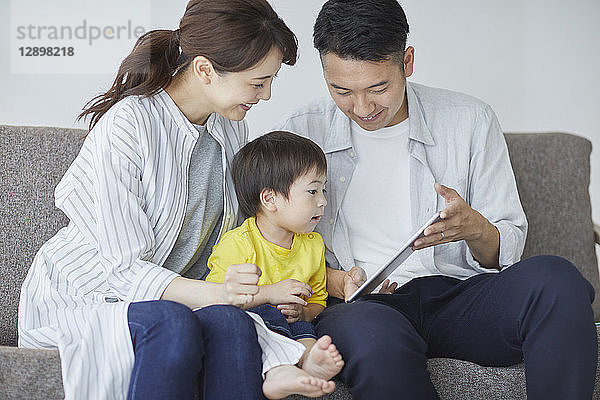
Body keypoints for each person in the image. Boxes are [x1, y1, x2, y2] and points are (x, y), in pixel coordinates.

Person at [276, 0, 598, 399]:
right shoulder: (300, 132)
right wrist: (337, 284)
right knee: (376, 339)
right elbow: (272, 240)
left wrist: (474, 227)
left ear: (406, 62)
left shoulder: (469, 119)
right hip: (361, 306)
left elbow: (505, 251)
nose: (361, 108)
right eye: (341, 90)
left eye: (378, 88)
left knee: (557, 280)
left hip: (459, 296)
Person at [17, 1, 334, 399]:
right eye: (257, 82)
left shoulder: (230, 128)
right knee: (175, 322)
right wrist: (221, 294)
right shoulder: (129, 124)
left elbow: (242, 234)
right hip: (88, 296)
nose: (267, 95)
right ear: (204, 69)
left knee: (232, 325)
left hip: (183, 300)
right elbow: (124, 269)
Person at [205, 131, 345, 394]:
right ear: (270, 199)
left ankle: (308, 360)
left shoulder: (312, 244)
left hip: (293, 325)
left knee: (302, 325)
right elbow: (217, 302)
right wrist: (269, 293)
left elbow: (318, 300)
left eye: (323, 190)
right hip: (252, 324)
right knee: (266, 315)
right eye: (312, 191)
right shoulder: (238, 244)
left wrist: (304, 312)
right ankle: (277, 371)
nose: (323, 201)